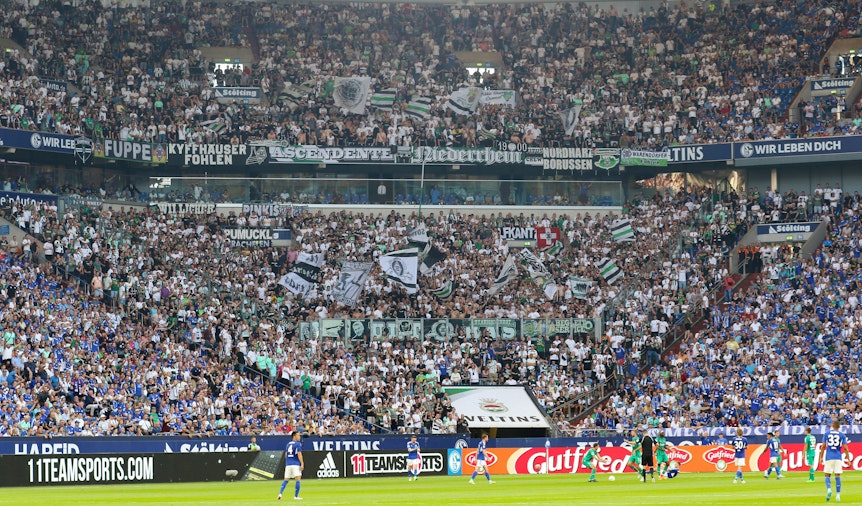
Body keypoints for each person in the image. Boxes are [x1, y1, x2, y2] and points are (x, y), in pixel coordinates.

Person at [822, 420, 850, 502]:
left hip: (829, 456)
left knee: (827, 475)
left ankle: (829, 489)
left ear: (832, 426)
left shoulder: (827, 433)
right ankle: (838, 495)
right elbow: (845, 448)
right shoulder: (842, 435)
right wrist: (848, 459)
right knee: (837, 476)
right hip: (838, 456)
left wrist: (820, 456)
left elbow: (823, 446)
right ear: (839, 427)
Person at [278, 431, 304, 501]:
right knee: (298, 480)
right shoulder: (298, 444)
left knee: (286, 480)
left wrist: (288, 461)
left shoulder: (288, 444)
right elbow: (299, 454)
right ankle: (296, 496)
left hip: (288, 464)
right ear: (294, 436)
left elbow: (286, 455)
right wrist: (302, 463)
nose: (299, 437)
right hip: (295, 464)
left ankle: (280, 493)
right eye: (298, 435)